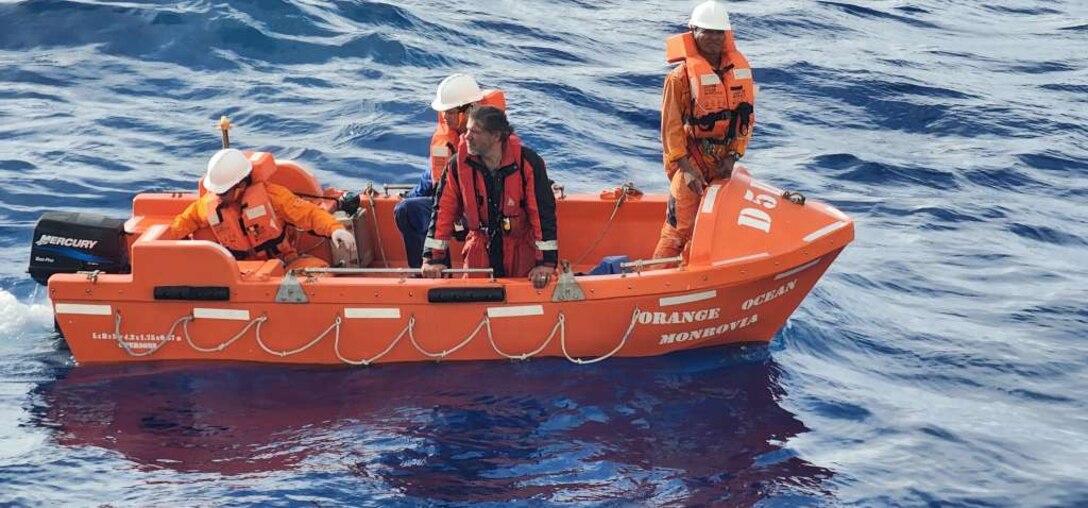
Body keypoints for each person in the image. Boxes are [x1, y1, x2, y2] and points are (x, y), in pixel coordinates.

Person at [653, 0, 758, 260]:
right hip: (691, 163)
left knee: (714, 229)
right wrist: (686, 169)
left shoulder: (739, 72)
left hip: (724, 163)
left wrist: (732, 157)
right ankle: (655, 280)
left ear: (726, 34)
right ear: (693, 31)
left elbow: (747, 120)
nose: (712, 38)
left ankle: (691, 276)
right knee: (679, 231)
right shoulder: (678, 79)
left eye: (718, 32)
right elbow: (671, 130)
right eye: (706, 31)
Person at [421, 106, 558, 289]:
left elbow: (542, 215)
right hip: (479, 247)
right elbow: (442, 211)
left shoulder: (528, 164)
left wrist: (545, 264)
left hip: (519, 248)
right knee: (472, 301)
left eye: (474, 132)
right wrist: (432, 258)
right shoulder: (457, 166)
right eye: (467, 130)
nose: (466, 136)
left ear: (496, 136)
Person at [169, 148, 356, 270]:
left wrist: (335, 229)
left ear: (240, 186)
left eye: (223, 192)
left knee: (317, 276)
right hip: (238, 272)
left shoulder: (274, 197)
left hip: (284, 264)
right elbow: (185, 222)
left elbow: (309, 214)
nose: (218, 196)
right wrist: (168, 245)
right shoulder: (210, 204)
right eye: (215, 191)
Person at [394, 73, 506, 268]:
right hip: (454, 208)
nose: (445, 117)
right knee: (406, 210)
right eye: (444, 111)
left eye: (451, 111)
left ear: (470, 110)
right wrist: (409, 196)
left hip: (489, 213)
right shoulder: (447, 143)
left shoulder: (494, 140)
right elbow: (433, 179)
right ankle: (432, 274)